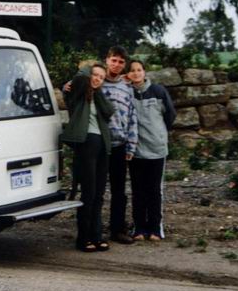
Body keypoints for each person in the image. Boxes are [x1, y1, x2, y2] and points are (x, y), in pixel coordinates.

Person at [62, 64, 115, 252]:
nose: (97, 79)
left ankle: (97, 235)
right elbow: (79, 77)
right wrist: (87, 72)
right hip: (86, 145)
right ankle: (83, 238)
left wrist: (97, 90)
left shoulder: (99, 97)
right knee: (88, 193)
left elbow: (109, 111)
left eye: (101, 77)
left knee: (99, 194)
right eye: (95, 75)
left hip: (102, 146)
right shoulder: (78, 95)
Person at [126, 59, 176, 241]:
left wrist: (160, 134)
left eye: (139, 70)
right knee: (138, 190)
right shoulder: (127, 92)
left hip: (156, 148)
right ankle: (139, 227)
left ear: (144, 72)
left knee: (154, 190)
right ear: (128, 74)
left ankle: (155, 227)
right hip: (136, 150)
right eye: (132, 71)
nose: (136, 73)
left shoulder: (158, 91)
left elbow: (170, 114)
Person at [101, 46, 138, 244]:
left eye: (121, 62)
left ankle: (117, 229)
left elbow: (132, 117)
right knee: (96, 189)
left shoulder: (127, 87)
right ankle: (93, 229)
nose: (116, 64)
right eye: (113, 60)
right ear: (107, 60)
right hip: (99, 144)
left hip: (119, 144)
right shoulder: (96, 80)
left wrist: (131, 146)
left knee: (119, 190)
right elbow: (74, 89)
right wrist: (67, 86)